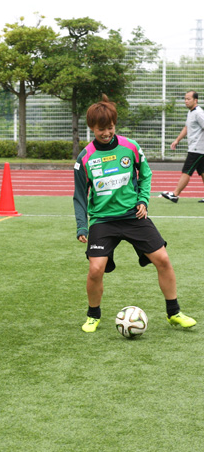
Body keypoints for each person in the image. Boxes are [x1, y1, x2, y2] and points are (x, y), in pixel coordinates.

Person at [73, 95, 196, 333]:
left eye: (110, 127)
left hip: (133, 216)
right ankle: (93, 315)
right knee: (96, 269)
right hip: (103, 220)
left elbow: (146, 174)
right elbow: (79, 196)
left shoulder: (130, 147)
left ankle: (174, 313)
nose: (107, 133)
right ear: (91, 128)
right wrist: (82, 225)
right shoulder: (85, 158)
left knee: (163, 259)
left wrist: (142, 201)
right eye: (101, 129)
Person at [161, 90, 204, 203]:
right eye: (185, 99)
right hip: (197, 149)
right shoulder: (191, 112)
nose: (186, 101)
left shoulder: (199, 113)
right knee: (203, 172)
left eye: (188, 99)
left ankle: (175, 194)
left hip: (197, 149)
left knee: (187, 171)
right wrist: (177, 140)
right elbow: (186, 127)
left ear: (196, 100)